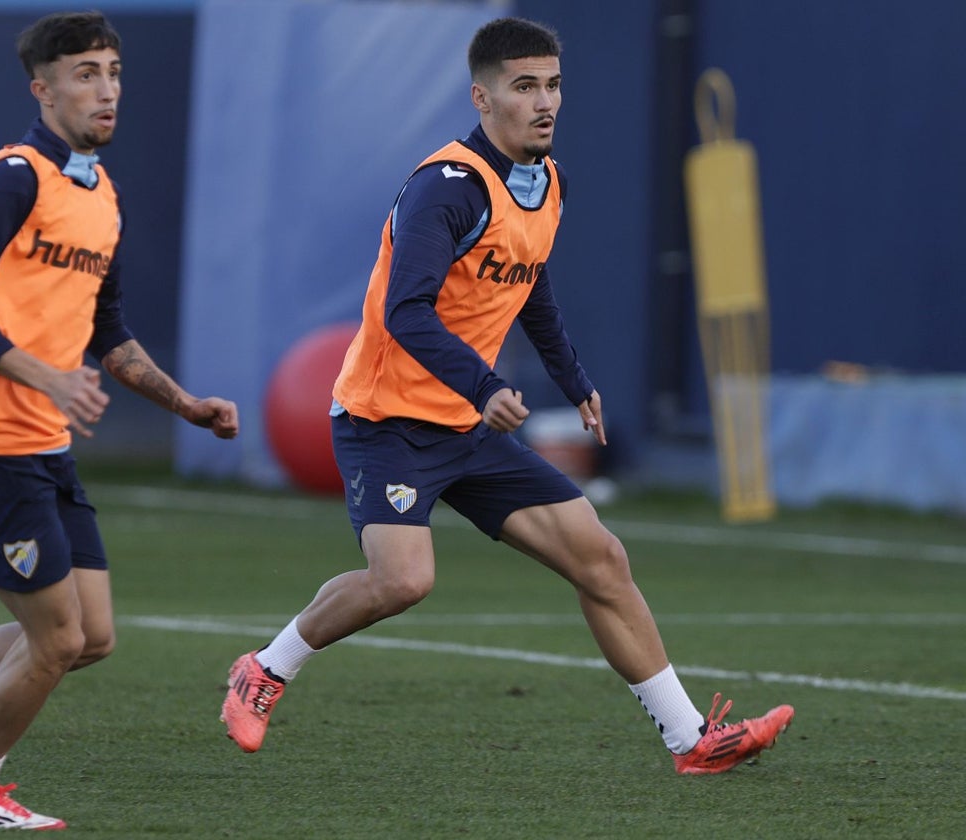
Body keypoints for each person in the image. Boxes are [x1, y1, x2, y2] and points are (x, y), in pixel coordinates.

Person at [221, 16, 793, 774]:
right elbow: (406, 310)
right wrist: (486, 384)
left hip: (467, 425)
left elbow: (533, 287)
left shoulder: (546, 179)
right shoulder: (446, 188)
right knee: (403, 582)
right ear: (482, 98)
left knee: (602, 560)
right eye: (525, 87)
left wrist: (574, 381)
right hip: (386, 419)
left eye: (553, 85)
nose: (544, 101)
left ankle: (691, 740)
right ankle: (264, 668)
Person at [0, 11, 239, 830]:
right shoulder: (13, 175)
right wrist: (46, 378)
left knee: (90, 637)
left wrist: (187, 405)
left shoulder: (102, 195)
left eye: (114, 72)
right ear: (44, 87)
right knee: (54, 641)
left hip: (44, 445)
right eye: (86, 73)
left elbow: (110, 333)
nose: (106, 89)